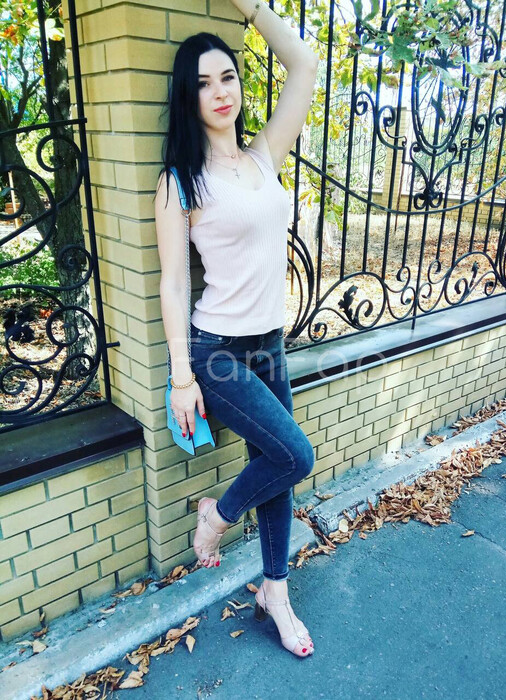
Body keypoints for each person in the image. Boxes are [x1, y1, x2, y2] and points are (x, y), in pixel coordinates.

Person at [154, 0, 319, 658]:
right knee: (294, 456)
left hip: (270, 343)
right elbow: (173, 285)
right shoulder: (180, 183)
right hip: (217, 353)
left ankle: (275, 592)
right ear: (187, 98)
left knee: (275, 466)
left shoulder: (262, 156)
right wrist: (181, 380)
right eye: (203, 83)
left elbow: (303, 64)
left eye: (227, 76)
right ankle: (215, 516)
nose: (219, 91)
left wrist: (252, 7)